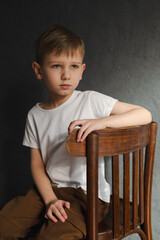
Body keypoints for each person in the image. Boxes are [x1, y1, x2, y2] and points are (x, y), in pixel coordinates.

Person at [0, 24, 152, 240]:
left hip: (86, 195)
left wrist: (102, 122)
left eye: (73, 66)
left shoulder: (90, 100)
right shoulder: (35, 115)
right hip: (49, 189)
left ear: (82, 70)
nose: (65, 75)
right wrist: (50, 199)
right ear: (38, 70)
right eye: (56, 66)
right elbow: (36, 164)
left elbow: (144, 114)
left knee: (52, 236)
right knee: (5, 226)